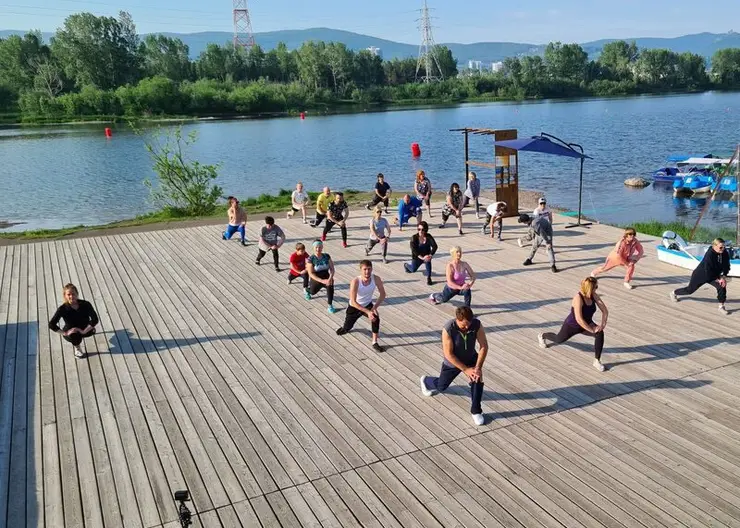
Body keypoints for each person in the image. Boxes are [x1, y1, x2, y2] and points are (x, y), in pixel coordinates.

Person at [420, 306, 488, 426]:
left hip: (471, 357)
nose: (467, 328)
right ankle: (427, 381)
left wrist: (477, 368)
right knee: (441, 387)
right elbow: (448, 354)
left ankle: (476, 411)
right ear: (458, 319)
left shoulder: (476, 324)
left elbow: (484, 346)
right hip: (453, 361)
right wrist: (466, 369)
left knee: (477, 377)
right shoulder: (448, 328)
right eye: (464, 325)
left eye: (469, 324)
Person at [538, 276, 609, 372]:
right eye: (595, 287)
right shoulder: (578, 298)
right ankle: (542, 335)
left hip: (587, 323)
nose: (597, 289)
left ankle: (597, 360)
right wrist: (592, 330)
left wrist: (602, 325)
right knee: (558, 339)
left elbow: (605, 311)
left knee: (600, 333)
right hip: (572, 325)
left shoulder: (594, 295)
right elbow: (579, 319)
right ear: (590, 288)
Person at [336, 260, 387, 352]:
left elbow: (383, 294)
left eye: (369, 269)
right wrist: (368, 312)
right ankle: (345, 328)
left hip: (368, 305)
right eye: (364, 269)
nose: (367, 272)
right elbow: (353, 301)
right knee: (348, 327)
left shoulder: (376, 279)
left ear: (372, 269)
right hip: (354, 307)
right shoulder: (355, 281)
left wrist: (374, 308)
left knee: (375, 318)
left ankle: (374, 342)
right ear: (360, 270)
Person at [670, 238, 731, 315]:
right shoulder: (709, 254)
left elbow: (726, 265)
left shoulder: (724, 253)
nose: (723, 249)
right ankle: (674, 293)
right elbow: (708, 270)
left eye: (724, 247)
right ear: (714, 246)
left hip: (714, 275)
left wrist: (723, 276)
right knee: (689, 290)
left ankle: (721, 306)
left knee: (722, 286)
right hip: (701, 274)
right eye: (721, 247)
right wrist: (718, 278)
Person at [48, 283, 99, 359]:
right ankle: (77, 347)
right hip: (72, 332)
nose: (71, 296)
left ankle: (87, 331)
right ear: (65, 296)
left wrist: (84, 331)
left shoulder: (86, 304)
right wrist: (65, 333)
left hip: (85, 329)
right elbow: (51, 324)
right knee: (74, 335)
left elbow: (95, 319)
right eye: (68, 294)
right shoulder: (62, 309)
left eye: (73, 294)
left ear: (77, 294)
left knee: (90, 330)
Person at [306, 240, 338, 313]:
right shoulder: (311, 259)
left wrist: (330, 278)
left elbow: (332, 269)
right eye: (316, 247)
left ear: (322, 247)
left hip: (326, 276)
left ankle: (330, 305)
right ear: (313, 248)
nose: (318, 249)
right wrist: (321, 281)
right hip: (316, 278)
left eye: (320, 247)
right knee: (313, 292)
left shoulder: (326, 256)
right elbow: (310, 273)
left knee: (330, 287)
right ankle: (307, 290)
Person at [404, 221, 438, 286]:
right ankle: (406, 265)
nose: (420, 231)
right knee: (413, 270)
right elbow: (413, 250)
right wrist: (422, 258)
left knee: (428, 261)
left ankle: (429, 278)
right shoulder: (414, 237)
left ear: (426, 230)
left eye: (422, 229)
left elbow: (435, 246)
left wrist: (430, 255)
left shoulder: (428, 236)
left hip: (426, 255)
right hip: (417, 257)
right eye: (419, 229)